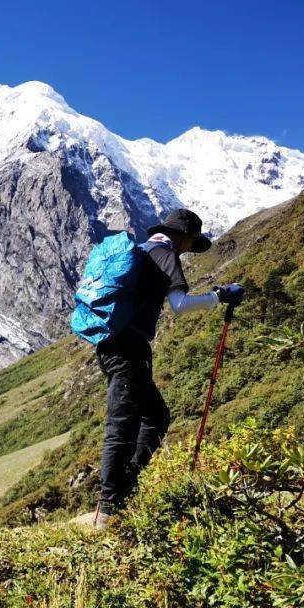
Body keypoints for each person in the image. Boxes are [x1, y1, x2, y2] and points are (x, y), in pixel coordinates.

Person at [92, 209, 243, 529]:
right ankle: (109, 506)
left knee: (154, 415)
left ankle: (127, 484)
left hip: (111, 345)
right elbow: (180, 305)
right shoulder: (165, 254)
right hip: (129, 347)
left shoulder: (144, 251)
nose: (190, 248)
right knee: (123, 422)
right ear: (182, 236)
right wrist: (220, 296)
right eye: (191, 241)